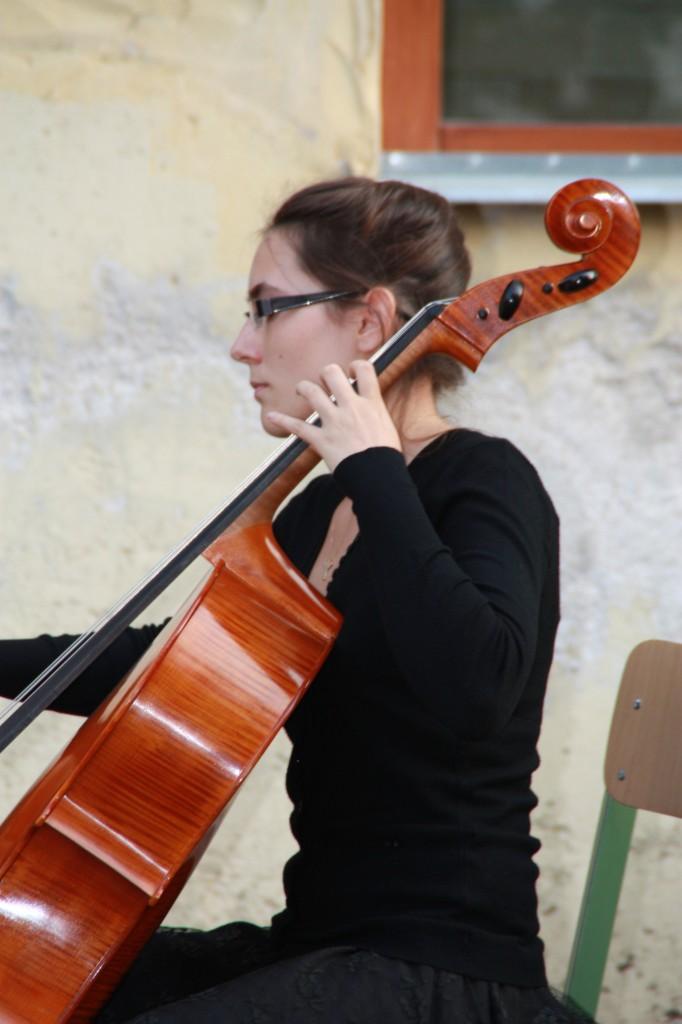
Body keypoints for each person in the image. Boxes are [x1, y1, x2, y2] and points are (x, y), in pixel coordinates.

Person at [0, 177, 592, 1023]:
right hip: (319, 949)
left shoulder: (485, 480)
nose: (243, 346)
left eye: (267, 308)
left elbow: (479, 686)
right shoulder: (317, 511)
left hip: (440, 973)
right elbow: (176, 663)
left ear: (370, 321)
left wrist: (372, 466)